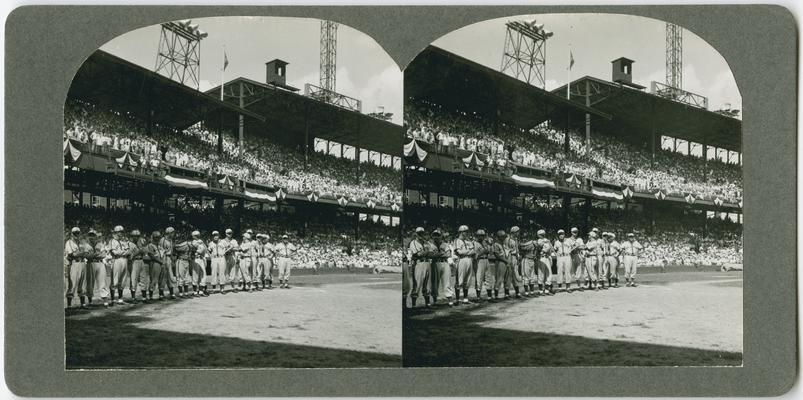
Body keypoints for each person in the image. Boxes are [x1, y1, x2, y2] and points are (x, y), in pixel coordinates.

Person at [65, 227, 92, 308]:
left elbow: (89, 251)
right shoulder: (69, 242)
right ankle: (69, 305)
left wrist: (84, 253)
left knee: (82, 284)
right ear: (72, 234)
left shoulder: (82, 242)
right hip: (74, 263)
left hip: (83, 263)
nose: (76, 234)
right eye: (75, 233)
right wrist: (84, 252)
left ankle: (83, 304)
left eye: (78, 233)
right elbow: (72, 254)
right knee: (72, 284)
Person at [408, 227, 433, 307]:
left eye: (422, 233)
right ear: (416, 234)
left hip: (427, 263)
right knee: (417, 284)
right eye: (419, 233)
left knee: (427, 283)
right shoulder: (413, 242)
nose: (421, 235)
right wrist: (427, 252)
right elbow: (418, 254)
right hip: (419, 264)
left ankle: (427, 302)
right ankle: (414, 304)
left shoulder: (427, 243)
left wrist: (425, 253)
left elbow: (432, 254)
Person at [86, 229, 110, 307]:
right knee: (90, 283)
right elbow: (87, 256)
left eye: (93, 235)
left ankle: (105, 302)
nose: (91, 237)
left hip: (100, 263)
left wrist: (94, 255)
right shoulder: (86, 245)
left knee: (102, 282)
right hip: (90, 263)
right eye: (90, 235)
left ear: (96, 236)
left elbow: (103, 255)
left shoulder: (100, 244)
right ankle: (90, 302)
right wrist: (97, 254)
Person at [108, 225, 131, 304]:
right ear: (115, 232)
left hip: (124, 260)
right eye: (119, 232)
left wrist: (123, 252)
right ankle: (112, 299)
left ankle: (120, 299)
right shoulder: (112, 241)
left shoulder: (124, 241)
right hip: (116, 260)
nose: (121, 233)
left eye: (122, 232)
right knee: (115, 280)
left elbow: (129, 251)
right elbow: (114, 252)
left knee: (123, 279)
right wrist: (124, 252)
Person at [452, 225, 474, 304]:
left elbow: (473, 251)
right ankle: (457, 299)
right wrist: (469, 251)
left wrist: (467, 252)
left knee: (467, 280)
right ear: (460, 232)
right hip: (461, 260)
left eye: (467, 231)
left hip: (469, 260)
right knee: (459, 280)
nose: (466, 233)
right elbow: (459, 252)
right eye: (465, 231)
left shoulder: (468, 241)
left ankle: (465, 298)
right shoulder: (456, 240)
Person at [430, 230, 453, 306]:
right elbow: (431, 255)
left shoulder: (445, 244)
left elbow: (448, 254)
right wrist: (442, 254)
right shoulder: (430, 245)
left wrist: (437, 254)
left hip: (445, 263)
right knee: (434, 282)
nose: (436, 237)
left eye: (438, 235)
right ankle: (435, 300)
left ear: (440, 236)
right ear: (432, 236)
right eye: (434, 235)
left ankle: (450, 299)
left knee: (447, 281)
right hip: (435, 263)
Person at [129, 229, 150, 302]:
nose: (136, 238)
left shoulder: (140, 243)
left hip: (142, 261)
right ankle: (133, 298)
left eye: (137, 236)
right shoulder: (129, 244)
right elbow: (130, 256)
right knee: (133, 279)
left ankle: (144, 298)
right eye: (134, 236)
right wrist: (139, 251)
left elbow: (145, 253)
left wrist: (143, 249)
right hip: (134, 262)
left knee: (143, 279)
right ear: (132, 236)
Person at [473, 229, 493, 302]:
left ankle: (489, 297)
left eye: (482, 235)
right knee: (479, 279)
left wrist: (489, 245)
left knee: (488, 278)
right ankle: (478, 297)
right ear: (477, 236)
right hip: (479, 261)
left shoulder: (485, 243)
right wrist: (483, 251)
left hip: (486, 260)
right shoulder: (474, 243)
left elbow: (490, 252)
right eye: (479, 236)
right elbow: (475, 256)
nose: (481, 237)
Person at [519, 229, 540, 296]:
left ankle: (532, 292)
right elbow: (522, 249)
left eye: (526, 237)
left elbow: (537, 247)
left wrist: (535, 254)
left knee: (532, 276)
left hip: (532, 260)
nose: (524, 238)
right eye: (523, 237)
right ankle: (526, 292)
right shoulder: (521, 244)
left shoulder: (533, 242)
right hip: (526, 260)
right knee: (526, 276)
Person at [144, 231, 164, 300]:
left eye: (158, 237)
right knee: (154, 279)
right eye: (156, 237)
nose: (157, 239)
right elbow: (152, 256)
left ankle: (161, 295)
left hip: (161, 262)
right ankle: (151, 296)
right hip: (155, 263)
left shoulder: (159, 245)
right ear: (153, 237)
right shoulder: (150, 245)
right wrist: (161, 261)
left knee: (162, 279)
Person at [504, 226, 523, 298]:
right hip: (510, 257)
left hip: (514, 257)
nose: (518, 233)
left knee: (516, 275)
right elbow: (506, 251)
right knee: (508, 275)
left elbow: (517, 250)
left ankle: (517, 293)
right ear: (513, 232)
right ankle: (506, 294)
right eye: (517, 232)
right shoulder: (507, 239)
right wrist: (508, 260)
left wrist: (518, 258)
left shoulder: (515, 239)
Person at [159, 227, 177, 299]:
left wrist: (172, 260)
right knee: (163, 276)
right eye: (172, 232)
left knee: (170, 275)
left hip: (169, 258)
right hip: (164, 257)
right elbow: (161, 251)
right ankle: (161, 294)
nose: (173, 234)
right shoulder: (162, 240)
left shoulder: (170, 240)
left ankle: (172, 293)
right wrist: (162, 261)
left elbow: (171, 251)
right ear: (168, 233)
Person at [173, 232, 193, 297]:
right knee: (180, 278)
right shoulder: (180, 245)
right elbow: (176, 248)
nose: (181, 238)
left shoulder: (187, 244)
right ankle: (181, 294)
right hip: (180, 261)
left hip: (186, 261)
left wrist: (188, 244)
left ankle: (186, 293)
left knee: (186, 277)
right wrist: (187, 244)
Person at [535, 229, 553, 295]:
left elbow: (551, 249)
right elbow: (537, 249)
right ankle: (540, 290)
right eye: (540, 234)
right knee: (541, 273)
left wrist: (548, 243)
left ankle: (547, 290)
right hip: (541, 258)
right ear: (538, 235)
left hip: (547, 257)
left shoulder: (547, 240)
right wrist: (544, 243)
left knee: (548, 273)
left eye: (543, 234)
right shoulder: (537, 241)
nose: (542, 235)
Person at [190, 230, 208, 296]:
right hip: (196, 259)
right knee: (195, 274)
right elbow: (195, 249)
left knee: (203, 275)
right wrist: (199, 244)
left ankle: (201, 291)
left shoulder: (201, 242)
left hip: (201, 259)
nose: (194, 237)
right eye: (194, 236)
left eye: (195, 236)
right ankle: (195, 291)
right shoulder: (193, 242)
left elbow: (205, 249)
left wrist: (201, 244)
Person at [492, 230, 509, 300]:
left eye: (504, 237)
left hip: (506, 261)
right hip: (500, 262)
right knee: (499, 278)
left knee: (507, 278)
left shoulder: (504, 244)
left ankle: (506, 295)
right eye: (502, 237)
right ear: (499, 237)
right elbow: (497, 255)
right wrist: (506, 260)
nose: (504, 238)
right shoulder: (496, 244)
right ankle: (496, 295)